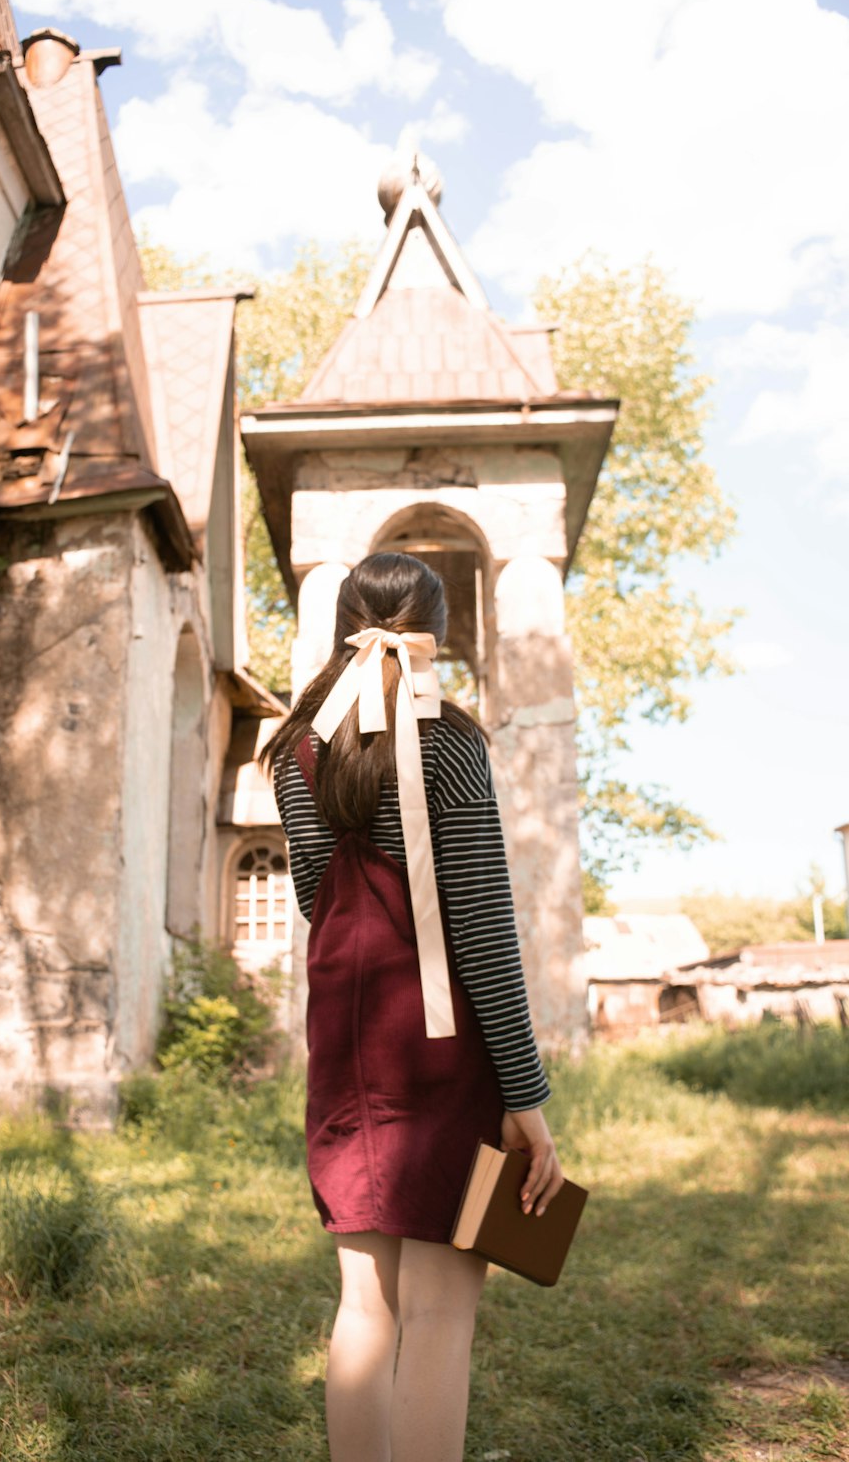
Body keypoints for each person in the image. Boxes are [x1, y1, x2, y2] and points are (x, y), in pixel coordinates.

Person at [261, 551, 563, 1462]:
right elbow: (481, 927)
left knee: (364, 1302)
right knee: (439, 1310)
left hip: (347, 1041)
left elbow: (320, 898)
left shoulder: (298, 746)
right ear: (434, 629)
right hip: (441, 1049)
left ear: (347, 620)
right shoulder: (448, 740)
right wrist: (526, 1094)